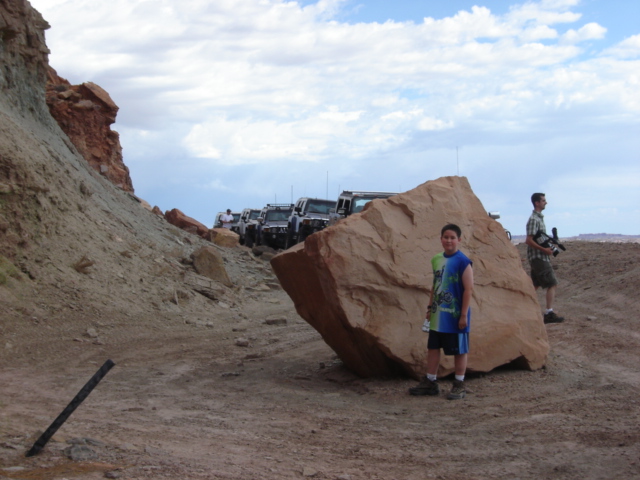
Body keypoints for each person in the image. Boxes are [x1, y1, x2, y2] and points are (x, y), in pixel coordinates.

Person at [409, 224, 474, 400]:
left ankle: (459, 384)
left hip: (455, 314)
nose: (449, 240)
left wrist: (463, 314)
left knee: (459, 349)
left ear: (459, 240)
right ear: (441, 239)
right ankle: (430, 381)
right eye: (446, 237)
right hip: (439, 314)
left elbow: (468, 290)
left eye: (452, 237)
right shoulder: (436, 259)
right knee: (433, 346)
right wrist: (430, 308)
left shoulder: (463, 261)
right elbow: (435, 285)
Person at [524, 193, 564, 324]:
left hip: (539, 257)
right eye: (543, 200)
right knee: (552, 283)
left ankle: (522, 309)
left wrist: (550, 246)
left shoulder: (538, 219)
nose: (545, 202)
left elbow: (538, 239)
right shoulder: (534, 219)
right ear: (537, 203)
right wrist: (544, 250)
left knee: (535, 285)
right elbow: (529, 240)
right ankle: (549, 313)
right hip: (538, 258)